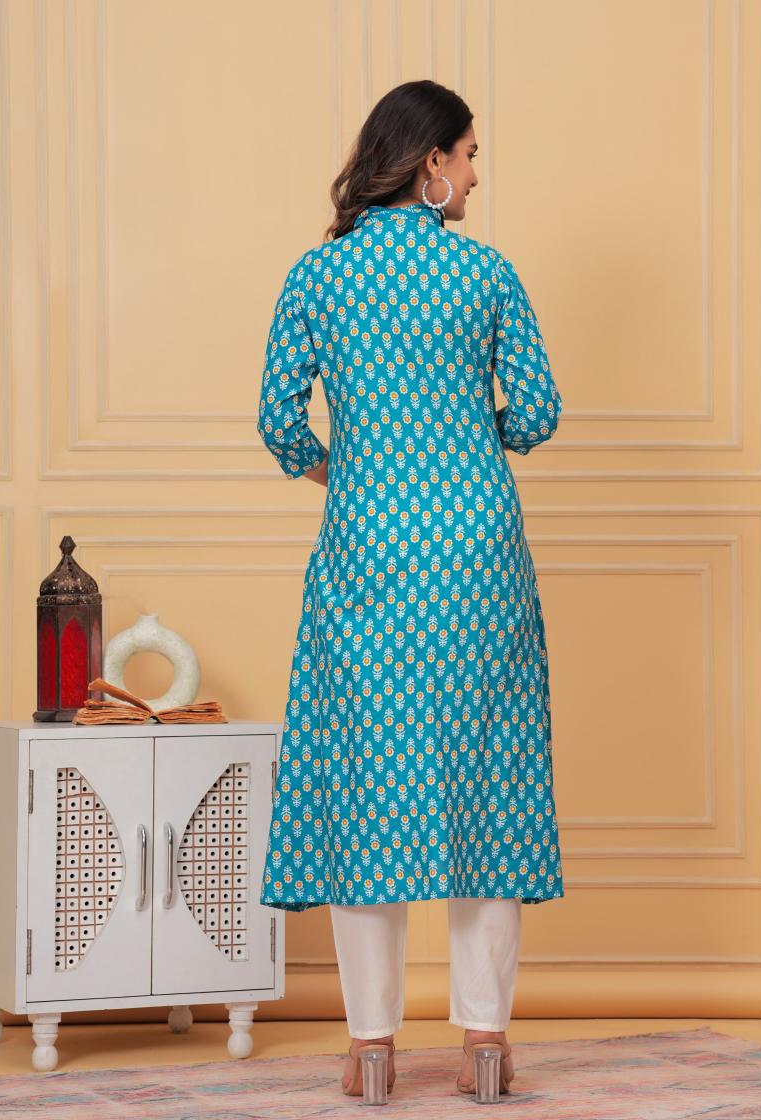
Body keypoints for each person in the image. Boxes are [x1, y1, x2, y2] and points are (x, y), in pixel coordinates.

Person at [256, 78, 565, 1101]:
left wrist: (351, 470)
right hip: (477, 555)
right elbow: (534, 416)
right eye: (468, 154)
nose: (474, 174)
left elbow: (277, 422)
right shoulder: (484, 275)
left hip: (370, 554)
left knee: (367, 786)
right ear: (431, 162)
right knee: (488, 785)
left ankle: (372, 1047)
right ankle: (482, 1042)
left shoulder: (317, 276)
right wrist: (469, 438)